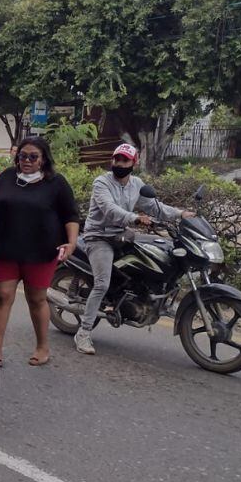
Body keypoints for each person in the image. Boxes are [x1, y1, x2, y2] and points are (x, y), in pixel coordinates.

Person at [73, 143, 194, 355]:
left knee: (151, 258)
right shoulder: (101, 182)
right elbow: (110, 210)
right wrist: (135, 218)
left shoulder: (136, 184)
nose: (119, 164)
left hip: (121, 235)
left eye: (125, 160)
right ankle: (83, 333)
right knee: (102, 283)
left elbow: (155, 207)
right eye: (117, 159)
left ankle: (127, 299)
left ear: (133, 163)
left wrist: (180, 214)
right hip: (99, 237)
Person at [0, 136, 80, 367]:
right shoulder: (7, 177)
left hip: (41, 251)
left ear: (44, 159)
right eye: (22, 156)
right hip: (6, 248)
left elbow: (71, 216)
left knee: (37, 299)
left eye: (33, 156)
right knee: (2, 296)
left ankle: (42, 346)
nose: (26, 160)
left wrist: (72, 243)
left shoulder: (56, 183)